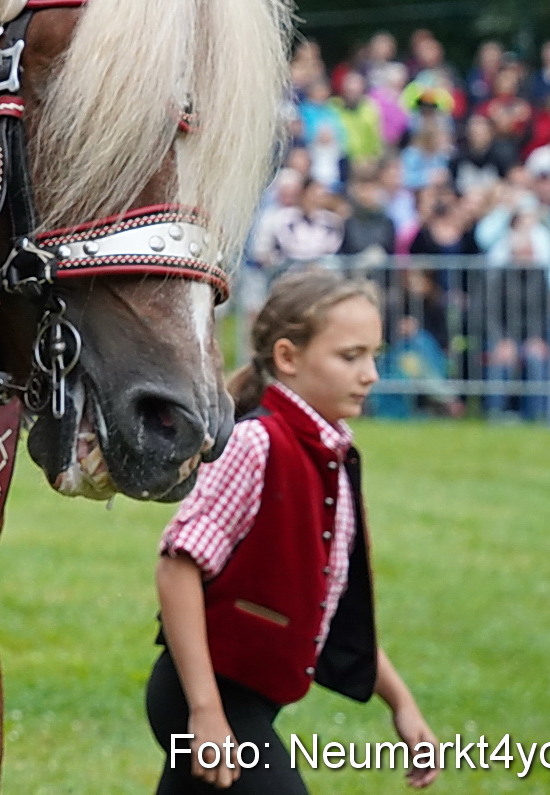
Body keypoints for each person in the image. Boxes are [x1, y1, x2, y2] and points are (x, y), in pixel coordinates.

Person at [147, 270, 439, 794]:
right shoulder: (255, 443)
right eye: (351, 356)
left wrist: (402, 704)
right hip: (207, 697)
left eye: (374, 355)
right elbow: (177, 567)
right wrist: (206, 711)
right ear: (288, 357)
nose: (371, 374)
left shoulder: (333, 456)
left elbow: (327, 606)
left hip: (252, 699)